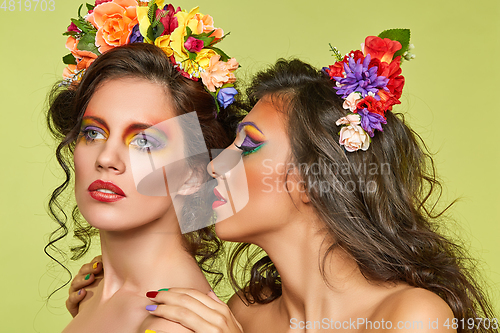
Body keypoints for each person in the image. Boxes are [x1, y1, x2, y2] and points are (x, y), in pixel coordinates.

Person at [66, 32, 498, 333]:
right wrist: (110, 299)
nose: (215, 166)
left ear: (316, 179)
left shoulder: (411, 316)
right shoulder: (244, 313)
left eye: (248, 146)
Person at [45, 2, 243, 332]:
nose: (106, 159)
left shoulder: (171, 324)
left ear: (194, 174)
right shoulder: (94, 291)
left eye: (145, 142)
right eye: (93, 133)